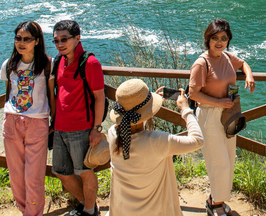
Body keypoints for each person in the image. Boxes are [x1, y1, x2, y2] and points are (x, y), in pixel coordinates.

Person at [84, 80, 204, 216]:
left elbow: (133, 124)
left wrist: (146, 103)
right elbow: (198, 140)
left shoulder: (113, 134)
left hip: (123, 211)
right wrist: (186, 110)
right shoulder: (158, 141)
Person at [188, 19, 255, 216]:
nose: (219, 42)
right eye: (215, 38)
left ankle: (214, 199)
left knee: (229, 160)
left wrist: (249, 75)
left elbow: (243, 63)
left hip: (228, 114)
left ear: (228, 40)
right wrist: (218, 103)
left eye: (224, 39)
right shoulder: (202, 63)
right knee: (219, 163)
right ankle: (216, 206)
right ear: (207, 40)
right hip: (209, 116)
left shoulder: (227, 58)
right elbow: (193, 94)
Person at [51, 20, 106, 216]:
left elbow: (100, 97)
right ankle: (88, 205)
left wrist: (97, 129)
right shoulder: (58, 61)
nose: (60, 44)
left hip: (81, 128)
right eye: (56, 40)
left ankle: (89, 212)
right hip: (59, 128)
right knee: (60, 172)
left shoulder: (90, 63)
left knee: (83, 171)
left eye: (64, 39)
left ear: (77, 38)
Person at [0, 21, 53, 216]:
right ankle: (25, 212)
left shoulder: (47, 64)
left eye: (27, 39)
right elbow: (7, 94)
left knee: (34, 176)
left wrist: (53, 121)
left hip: (37, 122)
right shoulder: (9, 64)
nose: (21, 43)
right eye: (18, 38)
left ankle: (34, 213)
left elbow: (50, 94)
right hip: (12, 121)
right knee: (15, 175)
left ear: (37, 41)